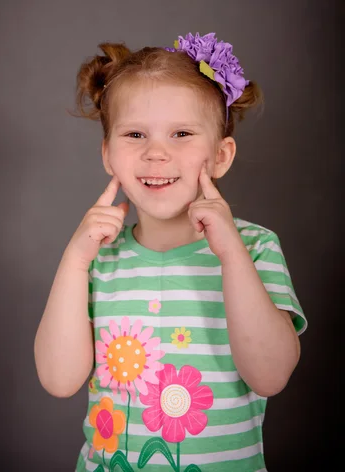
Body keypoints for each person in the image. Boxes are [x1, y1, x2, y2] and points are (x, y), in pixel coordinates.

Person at [34, 32, 307, 472]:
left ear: (220, 156)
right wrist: (74, 261)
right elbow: (58, 379)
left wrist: (231, 256)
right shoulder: (96, 260)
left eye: (181, 133)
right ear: (108, 154)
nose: (156, 152)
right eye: (135, 133)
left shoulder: (255, 249)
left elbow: (270, 376)